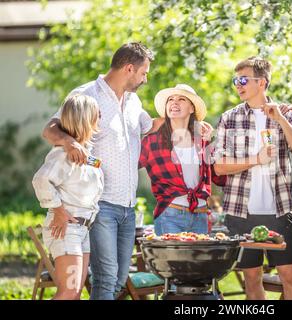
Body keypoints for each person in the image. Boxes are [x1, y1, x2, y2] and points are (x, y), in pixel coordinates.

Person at [41, 42, 156, 300]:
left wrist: (193, 124)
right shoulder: (86, 95)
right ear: (129, 68)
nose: (145, 79)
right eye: (143, 72)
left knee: (116, 281)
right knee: (104, 279)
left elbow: (153, 127)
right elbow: (50, 129)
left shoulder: (134, 102)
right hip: (99, 204)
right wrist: (70, 142)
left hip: (128, 206)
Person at [213, 56, 292, 300]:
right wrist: (255, 159)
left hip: (279, 211)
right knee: (251, 279)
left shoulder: (287, 114)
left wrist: (280, 118)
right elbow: (218, 166)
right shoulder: (230, 118)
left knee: (289, 277)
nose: (238, 85)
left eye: (243, 80)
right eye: (235, 80)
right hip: (241, 212)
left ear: (262, 82)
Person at [32, 94, 103, 300]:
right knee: (69, 292)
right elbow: (40, 180)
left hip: (82, 229)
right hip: (66, 230)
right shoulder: (63, 154)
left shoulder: (84, 153)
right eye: (97, 113)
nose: (100, 116)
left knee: (75, 294)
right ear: (86, 119)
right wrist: (58, 210)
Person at [139, 84, 225, 235]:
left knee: (198, 259)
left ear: (192, 108)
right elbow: (128, 166)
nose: (174, 102)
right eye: (170, 99)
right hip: (170, 215)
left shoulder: (203, 140)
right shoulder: (152, 142)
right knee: (171, 259)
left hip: (200, 214)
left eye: (181, 99)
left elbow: (220, 176)